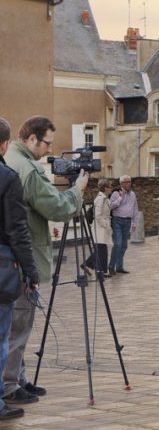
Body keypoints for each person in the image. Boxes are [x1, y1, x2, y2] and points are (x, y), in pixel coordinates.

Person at [4, 116, 87, 408]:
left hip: (14, 258)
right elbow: (56, 206)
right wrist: (78, 191)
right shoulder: (26, 169)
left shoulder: (12, 160)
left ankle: (18, 378)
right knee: (19, 325)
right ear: (31, 139)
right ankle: (10, 385)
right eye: (47, 143)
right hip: (23, 259)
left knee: (16, 325)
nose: (49, 150)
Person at [0, 117, 41, 422]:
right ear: (4, 144)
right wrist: (31, 271)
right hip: (2, 263)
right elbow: (17, 230)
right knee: (2, 336)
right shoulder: (8, 177)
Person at [108, 173, 138, 274]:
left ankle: (119, 267)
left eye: (129, 181)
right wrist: (120, 198)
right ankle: (111, 267)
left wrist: (134, 222)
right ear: (121, 183)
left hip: (128, 221)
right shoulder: (116, 194)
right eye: (126, 182)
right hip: (117, 221)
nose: (129, 184)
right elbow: (111, 206)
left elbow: (135, 208)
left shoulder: (133, 194)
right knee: (117, 244)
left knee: (124, 245)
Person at [88, 179, 113, 277]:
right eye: (110, 186)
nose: (111, 188)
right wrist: (105, 225)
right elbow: (97, 215)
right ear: (105, 188)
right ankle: (99, 271)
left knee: (101, 249)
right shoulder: (100, 199)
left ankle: (99, 270)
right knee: (101, 250)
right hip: (99, 228)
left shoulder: (105, 198)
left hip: (102, 227)